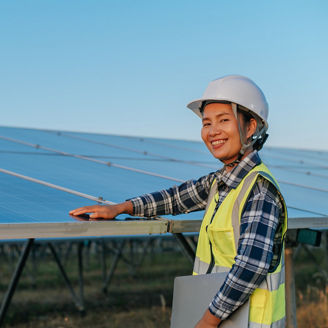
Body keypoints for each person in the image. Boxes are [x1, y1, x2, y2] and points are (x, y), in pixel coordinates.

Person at [70, 75, 287, 328]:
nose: (212, 131)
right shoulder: (220, 182)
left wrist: (207, 321)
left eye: (224, 120)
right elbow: (175, 198)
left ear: (250, 127)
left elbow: (250, 267)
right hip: (223, 316)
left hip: (249, 322)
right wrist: (121, 207)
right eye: (206, 123)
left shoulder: (260, 190)